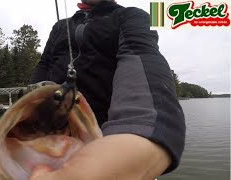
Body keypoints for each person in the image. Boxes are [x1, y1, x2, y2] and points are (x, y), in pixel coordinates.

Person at [29, 0, 186, 179]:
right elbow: (44, 64)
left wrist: (142, 131)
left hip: (103, 136)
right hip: (47, 135)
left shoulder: (132, 16)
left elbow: (140, 53)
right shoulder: (59, 27)